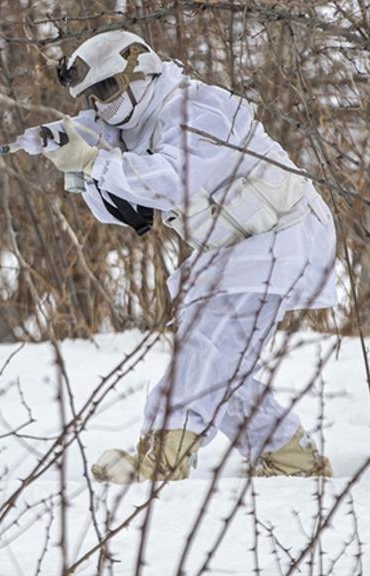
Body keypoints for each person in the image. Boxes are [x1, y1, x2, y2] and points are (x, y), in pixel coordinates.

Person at [43, 30, 339, 483]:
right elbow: (126, 213)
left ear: (140, 74)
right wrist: (81, 169)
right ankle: (290, 456)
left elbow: (175, 179)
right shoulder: (131, 131)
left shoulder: (197, 108)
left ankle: (162, 459)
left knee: (208, 349)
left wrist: (96, 163)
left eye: (106, 89)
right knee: (217, 360)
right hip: (235, 248)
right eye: (90, 99)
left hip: (280, 236)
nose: (100, 106)